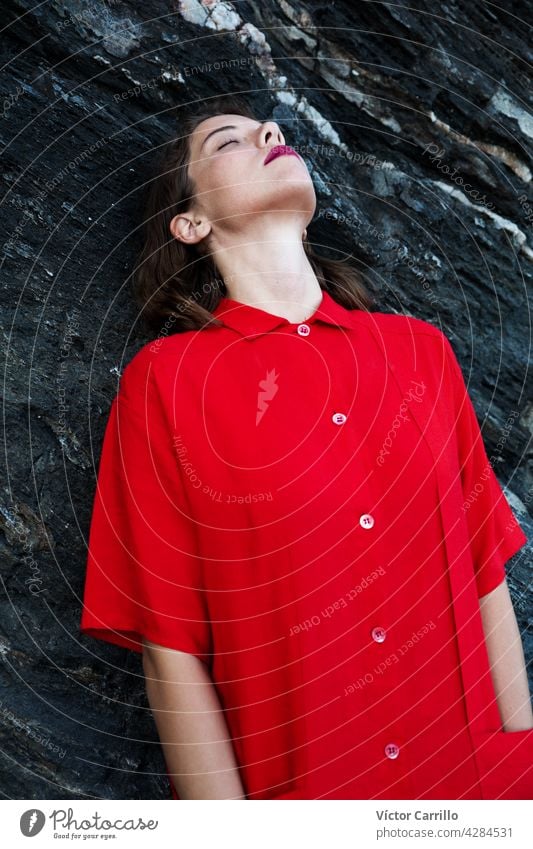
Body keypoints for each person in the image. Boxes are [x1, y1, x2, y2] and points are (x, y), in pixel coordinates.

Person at [80, 95, 533, 800]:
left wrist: (519, 776)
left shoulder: (420, 353)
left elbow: (484, 573)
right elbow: (172, 650)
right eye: (228, 140)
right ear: (190, 222)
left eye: (272, 129)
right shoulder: (165, 385)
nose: (268, 132)